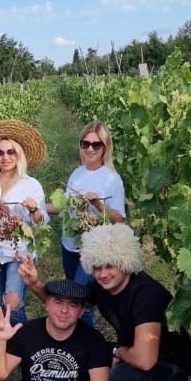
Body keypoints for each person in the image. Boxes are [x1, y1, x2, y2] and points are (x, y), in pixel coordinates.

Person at [20, 224, 191, 381]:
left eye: (110, 266)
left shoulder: (147, 295)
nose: (102, 274)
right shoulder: (102, 287)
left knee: (119, 376)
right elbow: (65, 308)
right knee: (100, 365)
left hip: (173, 367)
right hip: (139, 353)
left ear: (125, 262)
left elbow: (145, 360)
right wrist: (35, 283)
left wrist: (115, 350)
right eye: (97, 267)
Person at [0, 120, 49, 325]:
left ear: (19, 155)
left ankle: (21, 342)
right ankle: (11, 343)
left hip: (19, 251)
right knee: (1, 302)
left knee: (12, 301)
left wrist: (34, 210)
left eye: (11, 152)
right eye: (0, 152)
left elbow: (41, 221)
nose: (5, 157)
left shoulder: (31, 184)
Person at [50, 122, 126, 326]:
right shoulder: (77, 173)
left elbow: (119, 219)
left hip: (93, 249)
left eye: (96, 144)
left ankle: (84, 345)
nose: (90, 149)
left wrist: (99, 206)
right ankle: (79, 342)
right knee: (78, 297)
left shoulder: (112, 180)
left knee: (79, 299)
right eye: (85, 144)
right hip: (69, 246)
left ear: (105, 147)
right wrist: (38, 207)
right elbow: (64, 206)